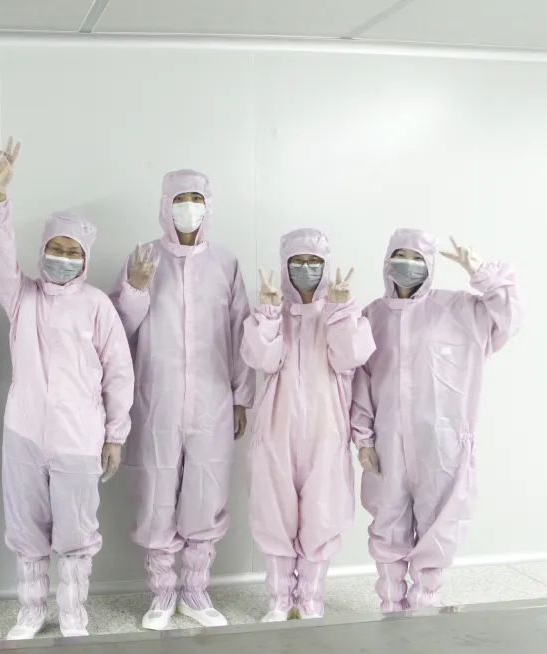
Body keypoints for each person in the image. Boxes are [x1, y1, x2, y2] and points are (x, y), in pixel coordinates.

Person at [0, 138, 134, 640]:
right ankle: (30, 612)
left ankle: (72, 613)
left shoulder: (97, 306)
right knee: (26, 528)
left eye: (73, 253)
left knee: (75, 529)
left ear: (84, 258)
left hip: (78, 436)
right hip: (24, 431)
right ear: (43, 250)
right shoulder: (21, 296)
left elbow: (119, 372)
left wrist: (115, 435)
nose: (63, 258)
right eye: (56, 249)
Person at [111, 170, 254, 630]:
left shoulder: (226, 263)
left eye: (196, 199)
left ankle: (195, 592)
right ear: (165, 204)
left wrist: (241, 397)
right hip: (158, 397)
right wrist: (135, 288)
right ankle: (162, 595)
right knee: (157, 492)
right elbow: (118, 329)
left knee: (206, 492)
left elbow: (240, 330)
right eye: (180, 198)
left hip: (213, 398)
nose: (188, 208)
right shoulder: (144, 257)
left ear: (208, 206)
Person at [352, 230, 520, 611]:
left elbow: (509, 318)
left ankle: (425, 603)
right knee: (387, 523)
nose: (408, 264)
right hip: (388, 443)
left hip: (441, 443)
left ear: (430, 264)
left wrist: (483, 273)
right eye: (401, 255)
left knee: (438, 525)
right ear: (387, 261)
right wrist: (363, 439)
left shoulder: (458, 309)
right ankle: (391, 605)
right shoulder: (373, 316)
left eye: (417, 258)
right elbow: (361, 379)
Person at [241, 229, 374, 621]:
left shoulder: (342, 312)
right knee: (273, 512)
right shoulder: (272, 313)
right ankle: (280, 600)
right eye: (297, 261)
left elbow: (351, 357)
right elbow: (262, 360)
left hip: (325, 431)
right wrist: (268, 314)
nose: (305, 268)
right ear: (284, 265)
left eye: (314, 262)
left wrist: (341, 311)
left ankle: (311, 599)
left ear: (326, 265)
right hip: (275, 431)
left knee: (322, 512)